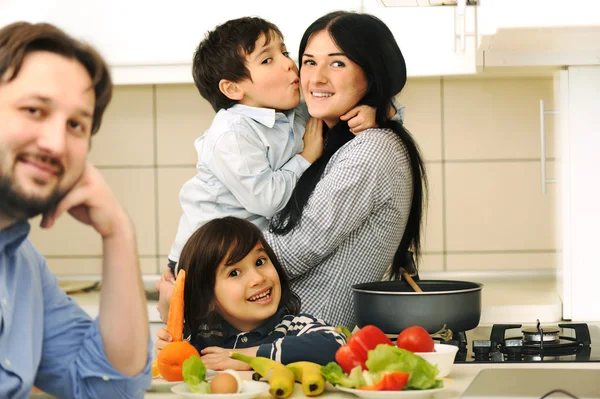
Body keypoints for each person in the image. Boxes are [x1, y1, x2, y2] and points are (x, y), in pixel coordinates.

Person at [0, 22, 152, 398]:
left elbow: (109, 389)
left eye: (75, 125)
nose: (54, 143)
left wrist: (118, 231)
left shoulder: (23, 268)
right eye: (34, 110)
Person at [165, 16, 379, 275]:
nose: (290, 64)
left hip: (243, 259)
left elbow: (342, 106)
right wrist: (306, 158)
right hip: (203, 261)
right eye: (268, 60)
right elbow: (267, 201)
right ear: (232, 88)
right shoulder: (232, 134)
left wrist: (376, 113)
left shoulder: (294, 111)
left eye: (285, 52)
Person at [264, 10, 428, 328]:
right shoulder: (322, 134)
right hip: (283, 338)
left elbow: (291, 252)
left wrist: (198, 271)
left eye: (337, 63)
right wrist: (386, 110)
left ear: (372, 73)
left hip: (300, 341)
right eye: (309, 61)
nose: (316, 77)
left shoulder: (371, 149)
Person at [154, 217, 347, 370]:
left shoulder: (294, 327)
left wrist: (248, 357)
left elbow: (337, 345)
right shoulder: (201, 337)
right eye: (234, 273)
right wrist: (169, 352)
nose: (258, 278)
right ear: (209, 299)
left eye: (260, 261)